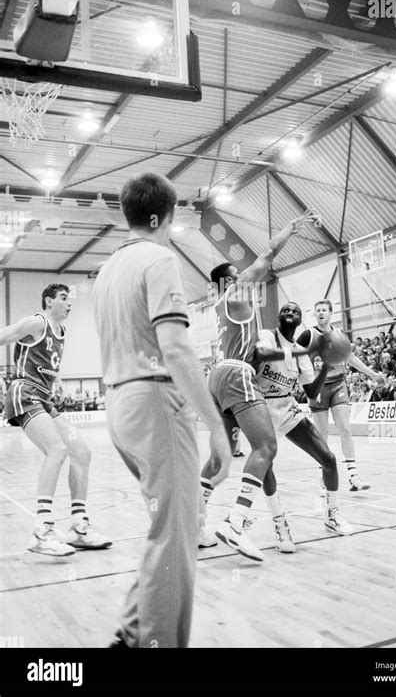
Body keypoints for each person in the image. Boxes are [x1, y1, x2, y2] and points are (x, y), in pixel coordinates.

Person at [94, 173, 230, 649]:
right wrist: (216, 427)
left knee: (169, 526)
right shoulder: (158, 258)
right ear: (160, 217)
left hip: (119, 403)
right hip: (153, 400)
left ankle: (133, 636)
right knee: (176, 535)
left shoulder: (109, 269)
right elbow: (175, 348)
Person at [200, 211, 318, 562]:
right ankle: (236, 523)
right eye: (237, 273)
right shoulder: (235, 295)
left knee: (219, 459)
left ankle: (194, 522)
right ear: (229, 282)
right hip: (236, 375)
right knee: (266, 447)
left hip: (216, 377)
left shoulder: (222, 307)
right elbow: (266, 256)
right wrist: (289, 229)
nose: (244, 274)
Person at [1, 284, 111, 557]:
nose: (69, 302)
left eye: (70, 298)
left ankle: (79, 526)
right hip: (24, 392)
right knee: (57, 449)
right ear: (49, 302)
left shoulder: (63, 331)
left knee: (81, 452)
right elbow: (7, 334)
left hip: (45, 399)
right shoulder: (37, 322)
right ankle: (42, 529)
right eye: (63, 298)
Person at [254, 302, 353, 535]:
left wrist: (326, 368)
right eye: (286, 310)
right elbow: (262, 354)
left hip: (286, 405)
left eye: (295, 311)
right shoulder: (266, 335)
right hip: (259, 405)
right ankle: (279, 522)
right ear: (279, 316)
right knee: (265, 464)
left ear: (300, 321)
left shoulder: (302, 354)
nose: (290, 313)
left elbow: (310, 393)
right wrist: (302, 352)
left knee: (328, 458)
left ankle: (332, 516)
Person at [296, 300, 381, 491]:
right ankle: (324, 477)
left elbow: (350, 357)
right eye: (317, 310)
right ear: (314, 314)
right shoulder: (308, 335)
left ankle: (353, 476)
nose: (321, 313)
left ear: (331, 313)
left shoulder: (339, 334)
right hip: (317, 387)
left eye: (324, 310)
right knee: (322, 434)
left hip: (338, 384)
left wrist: (373, 374)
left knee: (345, 429)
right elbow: (294, 356)